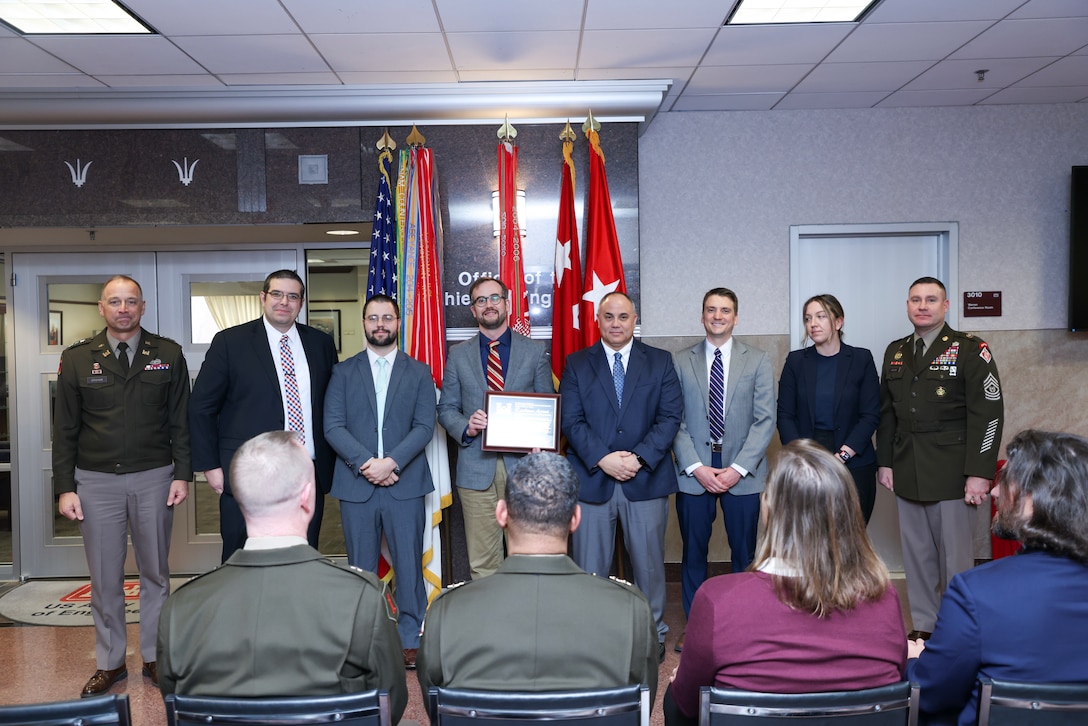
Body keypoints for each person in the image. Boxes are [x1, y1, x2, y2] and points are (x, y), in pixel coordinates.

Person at [156, 431, 408, 719]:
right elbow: (390, 704)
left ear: (240, 499)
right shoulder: (363, 598)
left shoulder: (182, 608)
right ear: (307, 498)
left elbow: (176, 705)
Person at [665, 440, 907, 726]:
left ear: (768, 510)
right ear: (848, 511)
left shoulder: (717, 599)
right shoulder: (884, 596)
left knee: (674, 698)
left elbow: (688, 705)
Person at [418, 452, 657, 713]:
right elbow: (641, 708)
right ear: (575, 519)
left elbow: (433, 710)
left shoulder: (447, 612)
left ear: (501, 514)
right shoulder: (630, 609)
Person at [52, 275, 191, 697]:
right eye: (115, 302)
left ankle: (154, 656)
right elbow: (65, 430)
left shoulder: (167, 353)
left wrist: (183, 473)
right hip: (95, 482)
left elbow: (180, 421)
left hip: (154, 477)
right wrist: (65, 487)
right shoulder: (77, 359)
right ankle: (110, 663)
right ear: (102, 307)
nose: (124, 309)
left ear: (143, 307)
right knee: (105, 578)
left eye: (131, 301)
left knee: (156, 574)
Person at [907, 429, 1088, 726]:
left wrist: (915, 661)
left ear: (1034, 499)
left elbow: (929, 695)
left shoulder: (975, 592)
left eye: (1007, 481)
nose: (993, 492)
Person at [876, 276, 1004, 640]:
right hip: (907, 468)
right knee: (916, 558)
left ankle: (959, 629)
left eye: (931, 299)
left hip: (953, 472)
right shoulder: (896, 351)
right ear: (907, 305)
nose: (922, 305)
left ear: (945, 307)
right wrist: (885, 461)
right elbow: (887, 413)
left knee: (956, 560)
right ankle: (925, 627)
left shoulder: (970, 348)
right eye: (915, 299)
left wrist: (979, 473)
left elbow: (989, 414)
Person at [560, 291, 683, 663]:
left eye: (623, 317)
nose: (616, 323)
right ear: (597, 320)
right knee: (590, 569)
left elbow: (670, 417)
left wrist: (638, 458)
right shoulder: (577, 363)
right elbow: (571, 419)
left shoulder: (659, 362)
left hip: (645, 481)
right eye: (609, 317)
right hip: (593, 480)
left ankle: (652, 635)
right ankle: (594, 639)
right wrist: (603, 458)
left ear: (635, 320)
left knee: (648, 567)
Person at [189, 269, 338, 562]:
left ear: (301, 302)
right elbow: (201, 407)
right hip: (248, 473)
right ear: (263, 297)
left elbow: (330, 404)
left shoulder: (320, 344)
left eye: (292, 296)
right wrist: (210, 466)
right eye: (277, 294)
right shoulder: (230, 342)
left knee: (303, 557)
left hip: (306, 471)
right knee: (242, 560)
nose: (284, 302)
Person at [324, 294, 435, 669]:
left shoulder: (419, 372)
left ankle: (409, 639)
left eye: (387, 317)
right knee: (361, 569)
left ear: (398, 322)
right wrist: (368, 464)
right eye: (373, 318)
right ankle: (366, 640)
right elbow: (333, 426)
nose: (380, 324)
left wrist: (391, 463)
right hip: (358, 483)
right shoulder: (342, 371)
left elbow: (424, 426)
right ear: (364, 323)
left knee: (408, 565)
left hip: (405, 482)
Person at [672, 287, 775, 646]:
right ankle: (697, 628)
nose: (718, 316)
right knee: (693, 553)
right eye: (711, 310)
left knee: (744, 554)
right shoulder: (680, 360)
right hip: (695, 472)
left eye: (725, 310)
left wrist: (738, 469)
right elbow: (674, 419)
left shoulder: (758, 359)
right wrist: (697, 467)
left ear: (736, 317)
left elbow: (765, 421)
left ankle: (742, 628)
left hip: (742, 473)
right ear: (702, 316)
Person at [437, 276, 552, 579]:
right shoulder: (458, 355)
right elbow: (446, 408)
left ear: (508, 303)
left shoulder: (534, 352)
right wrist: (467, 426)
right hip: (476, 470)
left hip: (526, 469)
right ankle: (490, 625)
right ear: (473, 310)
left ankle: (526, 624)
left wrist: (541, 437)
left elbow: (547, 407)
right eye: (481, 300)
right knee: (483, 564)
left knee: (529, 558)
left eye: (494, 298)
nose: (489, 305)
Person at [777, 293, 880, 523]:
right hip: (807, 460)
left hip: (854, 460)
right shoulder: (796, 361)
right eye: (808, 318)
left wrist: (843, 455)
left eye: (821, 316)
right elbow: (785, 415)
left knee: (851, 537)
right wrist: (803, 455)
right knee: (811, 534)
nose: (813, 324)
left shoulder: (861, 359)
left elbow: (871, 414)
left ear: (838, 322)